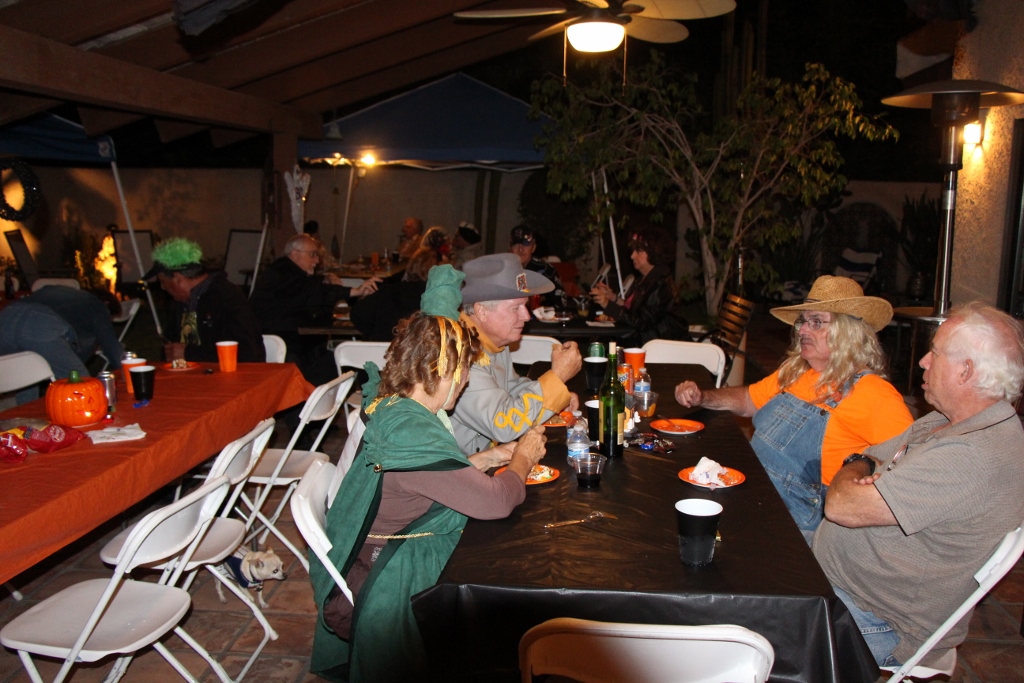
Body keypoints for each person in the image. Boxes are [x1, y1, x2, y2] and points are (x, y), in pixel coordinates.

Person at [308, 265, 548, 682]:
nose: (466, 382)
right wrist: (522, 459)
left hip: (374, 546)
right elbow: (496, 502)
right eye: (467, 372)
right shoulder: (412, 432)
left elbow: (416, 482)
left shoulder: (400, 404)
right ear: (449, 371)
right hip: (386, 578)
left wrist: (487, 460)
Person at [814, 302, 1024, 669]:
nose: (923, 361)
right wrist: (859, 465)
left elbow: (842, 506)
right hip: (844, 586)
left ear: (966, 371)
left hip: (878, 621)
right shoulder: (946, 421)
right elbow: (867, 456)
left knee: (745, 621)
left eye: (935, 353)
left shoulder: (971, 456)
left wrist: (857, 469)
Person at [675, 275, 913, 539]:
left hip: (798, 531)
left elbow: (911, 469)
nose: (802, 330)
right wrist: (703, 397)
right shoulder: (798, 373)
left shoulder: (874, 394)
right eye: (803, 321)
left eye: (816, 322)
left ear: (847, 332)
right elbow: (747, 400)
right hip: (758, 502)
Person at [451, 253, 582, 455]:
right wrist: (557, 378)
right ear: (481, 311)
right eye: (516, 308)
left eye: (525, 305)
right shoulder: (457, 352)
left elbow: (509, 388)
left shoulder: (492, 341)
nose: (526, 316)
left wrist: (557, 394)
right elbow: (505, 424)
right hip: (454, 474)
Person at [251, 233, 378, 382]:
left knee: (327, 359)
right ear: (294, 253)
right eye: (312, 255)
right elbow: (312, 292)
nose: (317, 261)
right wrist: (353, 291)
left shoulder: (287, 272)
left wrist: (326, 281)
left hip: (286, 339)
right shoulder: (283, 272)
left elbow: (309, 293)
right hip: (275, 345)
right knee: (330, 364)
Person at [146, 237, 266, 363]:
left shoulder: (227, 297)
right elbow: (170, 344)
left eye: (163, 282)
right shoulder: (181, 303)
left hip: (230, 376)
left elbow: (246, 352)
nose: (163, 288)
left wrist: (188, 353)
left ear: (177, 278)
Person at [589, 227, 688, 345]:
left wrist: (607, 304)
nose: (632, 256)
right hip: (645, 343)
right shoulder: (645, 279)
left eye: (638, 251)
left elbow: (641, 321)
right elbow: (635, 311)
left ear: (654, 252)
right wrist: (613, 298)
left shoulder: (660, 284)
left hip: (656, 347)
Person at [350, 232, 448, 341]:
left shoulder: (388, 291)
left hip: (383, 352)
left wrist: (373, 335)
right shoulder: (441, 300)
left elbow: (357, 315)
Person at [509, 224, 564, 308]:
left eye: (525, 244)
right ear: (510, 248)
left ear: (533, 247)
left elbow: (560, 303)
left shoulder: (546, 270)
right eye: (516, 245)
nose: (520, 249)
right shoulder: (501, 270)